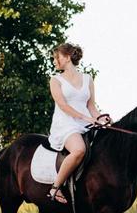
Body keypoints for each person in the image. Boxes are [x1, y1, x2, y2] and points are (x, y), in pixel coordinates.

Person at [46, 43, 110, 204]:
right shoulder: (56, 80)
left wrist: (102, 119)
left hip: (86, 122)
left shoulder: (87, 78)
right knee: (79, 150)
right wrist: (86, 118)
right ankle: (55, 187)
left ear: (67, 57)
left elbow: (91, 106)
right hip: (66, 124)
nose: (55, 61)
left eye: (57, 57)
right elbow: (63, 106)